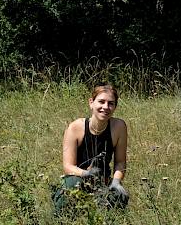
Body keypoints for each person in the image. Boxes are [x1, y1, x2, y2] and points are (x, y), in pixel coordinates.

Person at [53, 84, 129, 215]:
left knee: (120, 196)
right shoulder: (75, 128)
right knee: (69, 189)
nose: (105, 107)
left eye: (111, 103)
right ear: (91, 103)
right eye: (101, 102)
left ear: (115, 106)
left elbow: (120, 162)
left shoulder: (119, 127)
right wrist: (87, 174)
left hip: (103, 181)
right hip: (77, 179)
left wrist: (116, 182)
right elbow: (68, 166)